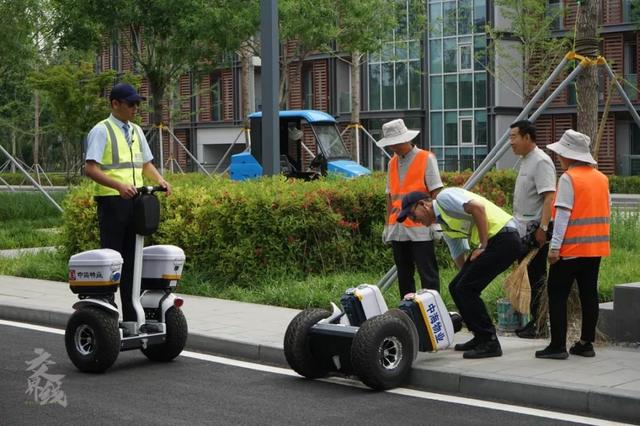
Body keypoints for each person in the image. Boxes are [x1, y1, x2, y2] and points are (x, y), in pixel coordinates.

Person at [397, 188, 523, 358]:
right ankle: (480, 337)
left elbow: (478, 207)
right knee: (456, 287)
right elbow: (458, 255)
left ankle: (489, 341)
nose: (414, 221)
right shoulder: (445, 225)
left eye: (413, 215)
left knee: (465, 288)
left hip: (504, 237)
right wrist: (465, 277)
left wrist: (483, 246)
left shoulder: (443, 199)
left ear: (423, 204)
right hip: (497, 241)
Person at [85, 83, 171, 324]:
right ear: (115, 104)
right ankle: (107, 316)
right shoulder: (101, 131)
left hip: (136, 202)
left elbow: (146, 164)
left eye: (137, 104)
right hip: (112, 203)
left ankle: (132, 317)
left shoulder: (136, 131)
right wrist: (118, 186)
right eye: (131, 104)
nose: (136, 108)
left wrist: (160, 180)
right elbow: (90, 169)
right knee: (113, 259)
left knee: (133, 262)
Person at [535, 130, 610, 360]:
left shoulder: (569, 178)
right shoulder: (601, 178)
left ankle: (558, 346)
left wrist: (555, 248)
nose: (559, 157)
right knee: (589, 294)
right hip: (595, 249)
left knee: (557, 293)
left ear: (568, 155)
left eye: (560, 154)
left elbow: (564, 216)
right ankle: (586, 344)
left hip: (570, 250)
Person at [377, 119, 443, 298]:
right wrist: (387, 226)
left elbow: (436, 192)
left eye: (395, 143)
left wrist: (437, 223)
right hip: (398, 226)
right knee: (404, 275)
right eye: (390, 144)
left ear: (406, 139)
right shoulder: (392, 163)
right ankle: (409, 311)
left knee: (427, 274)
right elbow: (390, 196)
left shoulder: (425, 158)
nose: (393, 147)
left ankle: (432, 311)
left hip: (421, 226)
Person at [509, 120, 556, 338]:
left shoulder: (541, 162)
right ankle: (533, 322)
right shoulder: (525, 160)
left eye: (514, 137)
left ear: (527, 137)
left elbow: (548, 197)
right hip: (522, 228)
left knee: (537, 277)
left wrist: (543, 228)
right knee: (527, 276)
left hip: (536, 229)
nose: (511, 142)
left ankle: (540, 324)